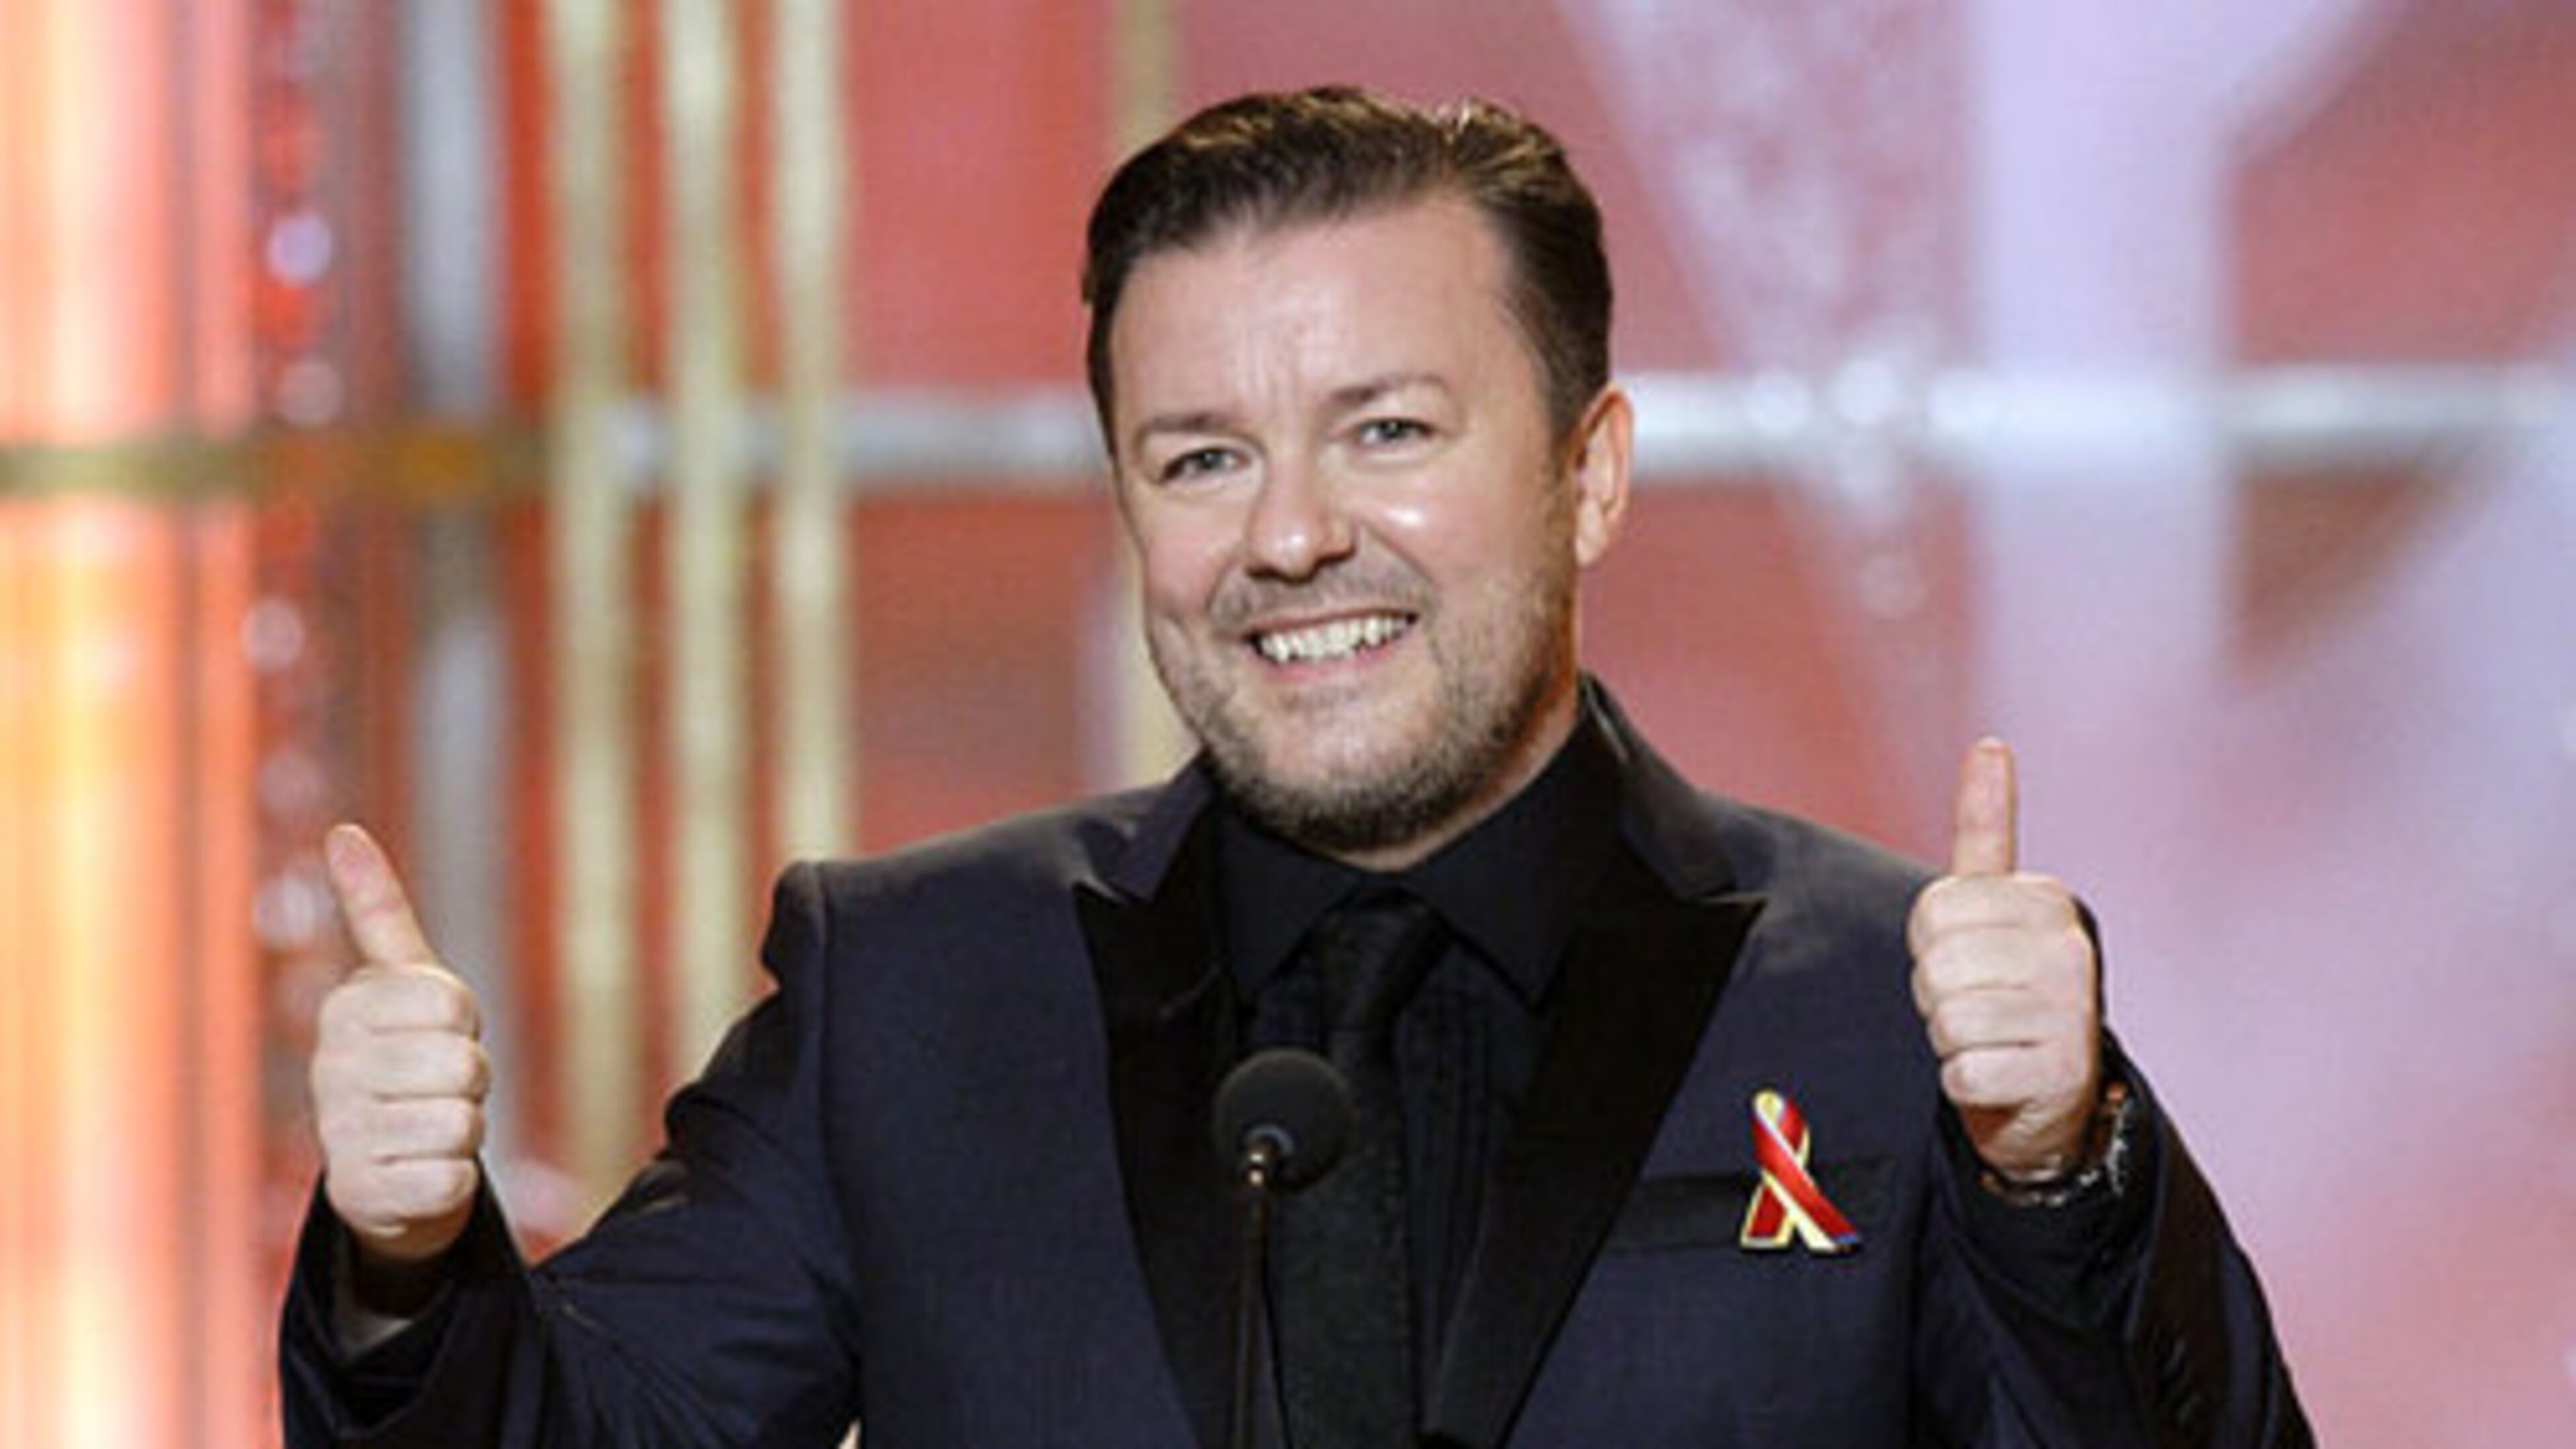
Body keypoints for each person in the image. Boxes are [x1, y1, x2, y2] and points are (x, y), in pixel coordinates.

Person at [280, 85, 2310, 1447]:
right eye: (1202, 458)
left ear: (1591, 476)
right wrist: (407, 1259)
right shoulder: (917, 996)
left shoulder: (1889, 1008)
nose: (1291, 535)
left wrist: (2057, 1174)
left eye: (1391, 433)